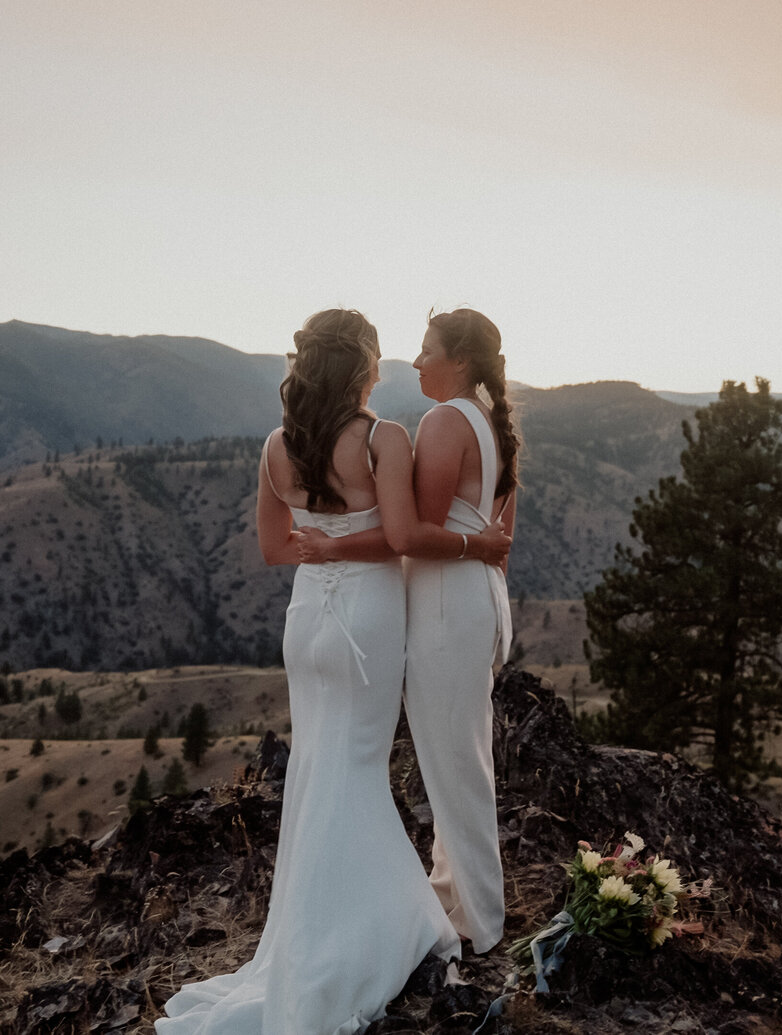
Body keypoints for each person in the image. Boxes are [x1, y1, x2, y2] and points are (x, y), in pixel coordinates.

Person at [155, 309, 509, 1035]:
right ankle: (372, 929)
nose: (389, 366)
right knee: (356, 766)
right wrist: (358, 547)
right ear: (359, 367)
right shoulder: (383, 438)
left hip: (308, 618)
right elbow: (400, 538)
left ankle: (309, 930)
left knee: (319, 766)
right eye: (380, 356)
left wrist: (321, 550)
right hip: (368, 620)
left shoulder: (276, 447)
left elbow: (275, 548)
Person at [404, 308, 520, 955]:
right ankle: (456, 898)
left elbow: (419, 532)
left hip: (447, 604)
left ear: (461, 361)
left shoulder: (445, 420)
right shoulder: (493, 425)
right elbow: (503, 542)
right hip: (477, 601)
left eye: (427, 350)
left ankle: (479, 920)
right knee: (457, 758)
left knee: (454, 763)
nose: (417, 361)